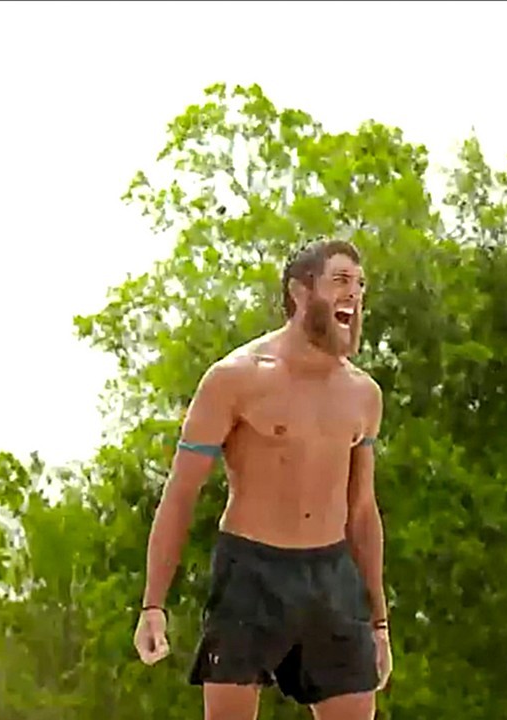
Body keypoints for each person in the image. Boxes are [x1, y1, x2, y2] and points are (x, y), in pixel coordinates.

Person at [132, 238, 392, 720]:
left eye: (360, 285)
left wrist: (379, 622)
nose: (354, 295)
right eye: (340, 281)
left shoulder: (363, 395)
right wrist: (153, 605)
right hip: (251, 573)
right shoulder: (235, 378)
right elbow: (182, 493)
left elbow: (362, 511)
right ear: (299, 291)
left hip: (332, 576)